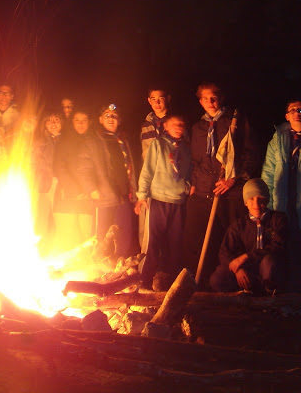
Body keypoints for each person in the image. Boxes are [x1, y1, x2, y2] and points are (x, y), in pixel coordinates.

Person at [182, 82, 259, 289]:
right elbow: (196, 160)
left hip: (230, 192)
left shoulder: (235, 121)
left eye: (214, 97)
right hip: (204, 192)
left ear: (221, 98)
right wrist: (196, 185)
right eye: (205, 98)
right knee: (197, 241)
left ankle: (236, 286)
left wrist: (233, 179)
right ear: (200, 102)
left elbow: (250, 154)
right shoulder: (198, 127)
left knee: (233, 240)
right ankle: (196, 286)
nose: (210, 102)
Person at [135, 114, 191, 288]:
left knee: (174, 245)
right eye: (174, 124)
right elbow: (148, 170)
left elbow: (188, 172)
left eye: (181, 124)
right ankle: (143, 281)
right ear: (165, 126)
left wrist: (188, 187)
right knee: (153, 243)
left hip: (178, 201)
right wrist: (142, 195)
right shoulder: (158, 144)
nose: (178, 127)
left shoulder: (186, 149)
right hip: (158, 199)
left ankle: (168, 284)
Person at [77, 104, 138, 259]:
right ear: (100, 120)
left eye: (114, 116)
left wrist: (134, 192)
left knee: (124, 234)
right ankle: (98, 269)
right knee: (102, 236)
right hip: (104, 196)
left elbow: (130, 166)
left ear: (119, 120)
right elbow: (83, 167)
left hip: (124, 196)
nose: (111, 119)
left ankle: (119, 269)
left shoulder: (123, 140)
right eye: (107, 115)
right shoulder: (94, 141)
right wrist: (91, 188)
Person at [209, 179, 287, 294]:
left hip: (268, 271)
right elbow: (224, 252)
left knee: (269, 262)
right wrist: (238, 270)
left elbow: (277, 247)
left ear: (267, 199)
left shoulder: (278, 220)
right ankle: (237, 301)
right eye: (251, 199)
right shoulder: (239, 225)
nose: (256, 204)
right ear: (245, 202)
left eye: (260, 199)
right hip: (247, 271)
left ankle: (269, 298)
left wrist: (247, 256)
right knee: (218, 277)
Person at [261, 99, 301, 292]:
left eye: (300, 109)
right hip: (283, 201)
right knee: (283, 246)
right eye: (292, 110)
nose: (297, 112)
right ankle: (283, 294)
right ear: (287, 116)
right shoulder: (278, 138)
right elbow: (269, 172)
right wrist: (266, 203)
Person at [52, 108, 92, 253]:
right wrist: (75, 189)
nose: (80, 124)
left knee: (87, 239)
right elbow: (59, 166)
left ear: (90, 122)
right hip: (67, 197)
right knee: (66, 238)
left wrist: (89, 190)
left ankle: (87, 272)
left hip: (89, 199)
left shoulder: (94, 141)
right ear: (72, 123)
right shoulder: (64, 141)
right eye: (77, 121)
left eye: (84, 121)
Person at [32, 111, 63, 252]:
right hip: (44, 184)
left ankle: (57, 250)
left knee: (60, 218)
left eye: (56, 120)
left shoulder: (66, 140)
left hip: (62, 183)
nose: (53, 123)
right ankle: (39, 250)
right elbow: (33, 162)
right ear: (44, 124)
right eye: (49, 121)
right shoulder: (40, 141)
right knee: (42, 218)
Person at [140, 88, 171, 161]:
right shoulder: (146, 126)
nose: (157, 102)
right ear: (149, 101)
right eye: (153, 99)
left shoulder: (175, 122)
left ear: (168, 99)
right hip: (152, 170)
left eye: (161, 98)